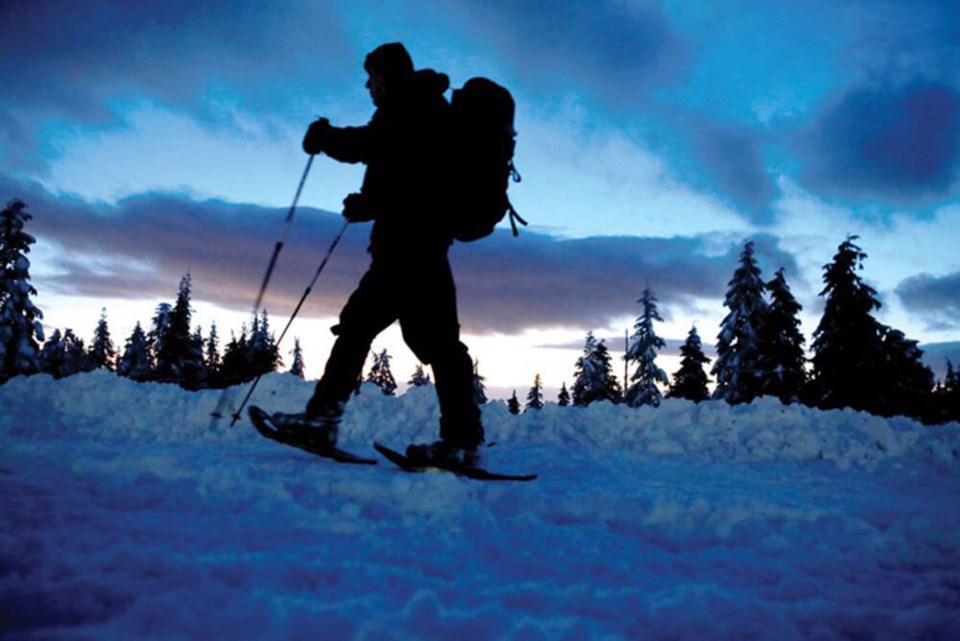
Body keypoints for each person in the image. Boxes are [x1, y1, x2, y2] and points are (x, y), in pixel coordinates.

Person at [270, 43, 485, 468]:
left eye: (372, 77)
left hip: (409, 250)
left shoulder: (412, 107)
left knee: (369, 330)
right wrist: (371, 206)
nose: (368, 85)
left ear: (388, 76)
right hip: (417, 246)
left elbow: (374, 145)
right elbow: (410, 177)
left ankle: (322, 421)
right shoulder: (423, 109)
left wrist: (326, 138)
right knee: (429, 342)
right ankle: (461, 440)